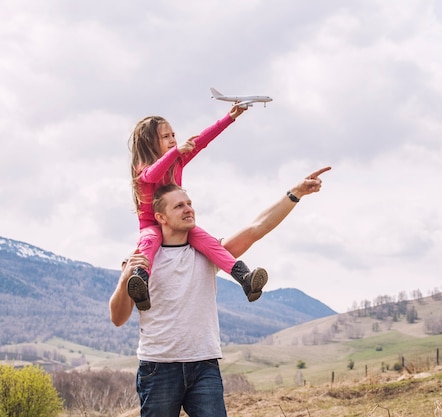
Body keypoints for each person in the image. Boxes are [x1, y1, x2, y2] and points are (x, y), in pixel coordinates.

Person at [109, 166, 330, 417]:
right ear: (160, 217)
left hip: (204, 365)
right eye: (178, 206)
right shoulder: (142, 260)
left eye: (189, 203)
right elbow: (117, 318)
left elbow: (257, 227)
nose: (188, 209)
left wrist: (295, 193)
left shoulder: (209, 253)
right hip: (158, 367)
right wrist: (125, 276)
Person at [127, 106, 267, 311]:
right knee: (149, 242)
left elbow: (202, 141)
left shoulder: (178, 160)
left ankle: (245, 279)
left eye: (173, 134)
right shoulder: (144, 168)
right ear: (150, 143)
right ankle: (141, 285)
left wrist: (229, 118)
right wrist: (175, 152)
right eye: (166, 136)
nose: (173, 139)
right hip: (152, 225)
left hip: (178, 224)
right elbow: (154, 175)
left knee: (210, 243)